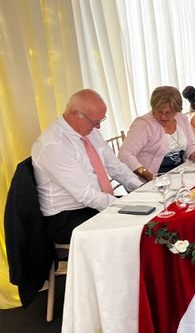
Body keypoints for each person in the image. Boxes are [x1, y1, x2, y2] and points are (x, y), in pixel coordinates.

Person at [32, 89, 142, 243]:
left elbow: (114, 165)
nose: (98, 127)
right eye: (94, 122)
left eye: (101, 121)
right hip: (66, 216)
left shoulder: (89, 132)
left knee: (147, 219)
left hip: (94, 204)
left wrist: (141, 189)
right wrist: (125, 207)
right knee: (131, 232)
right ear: (74, 114)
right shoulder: (54, 145)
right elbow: (86, 195)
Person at [119, 86, 195, 182]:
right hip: (153, 180)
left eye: (168, 112)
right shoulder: (143, 125)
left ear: (177, 110)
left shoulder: (182, 119)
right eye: (159, 111)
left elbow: (191, 145)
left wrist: (193, 154)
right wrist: (148, 175)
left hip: (180, 174)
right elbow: (125, 154)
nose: (163, 117)